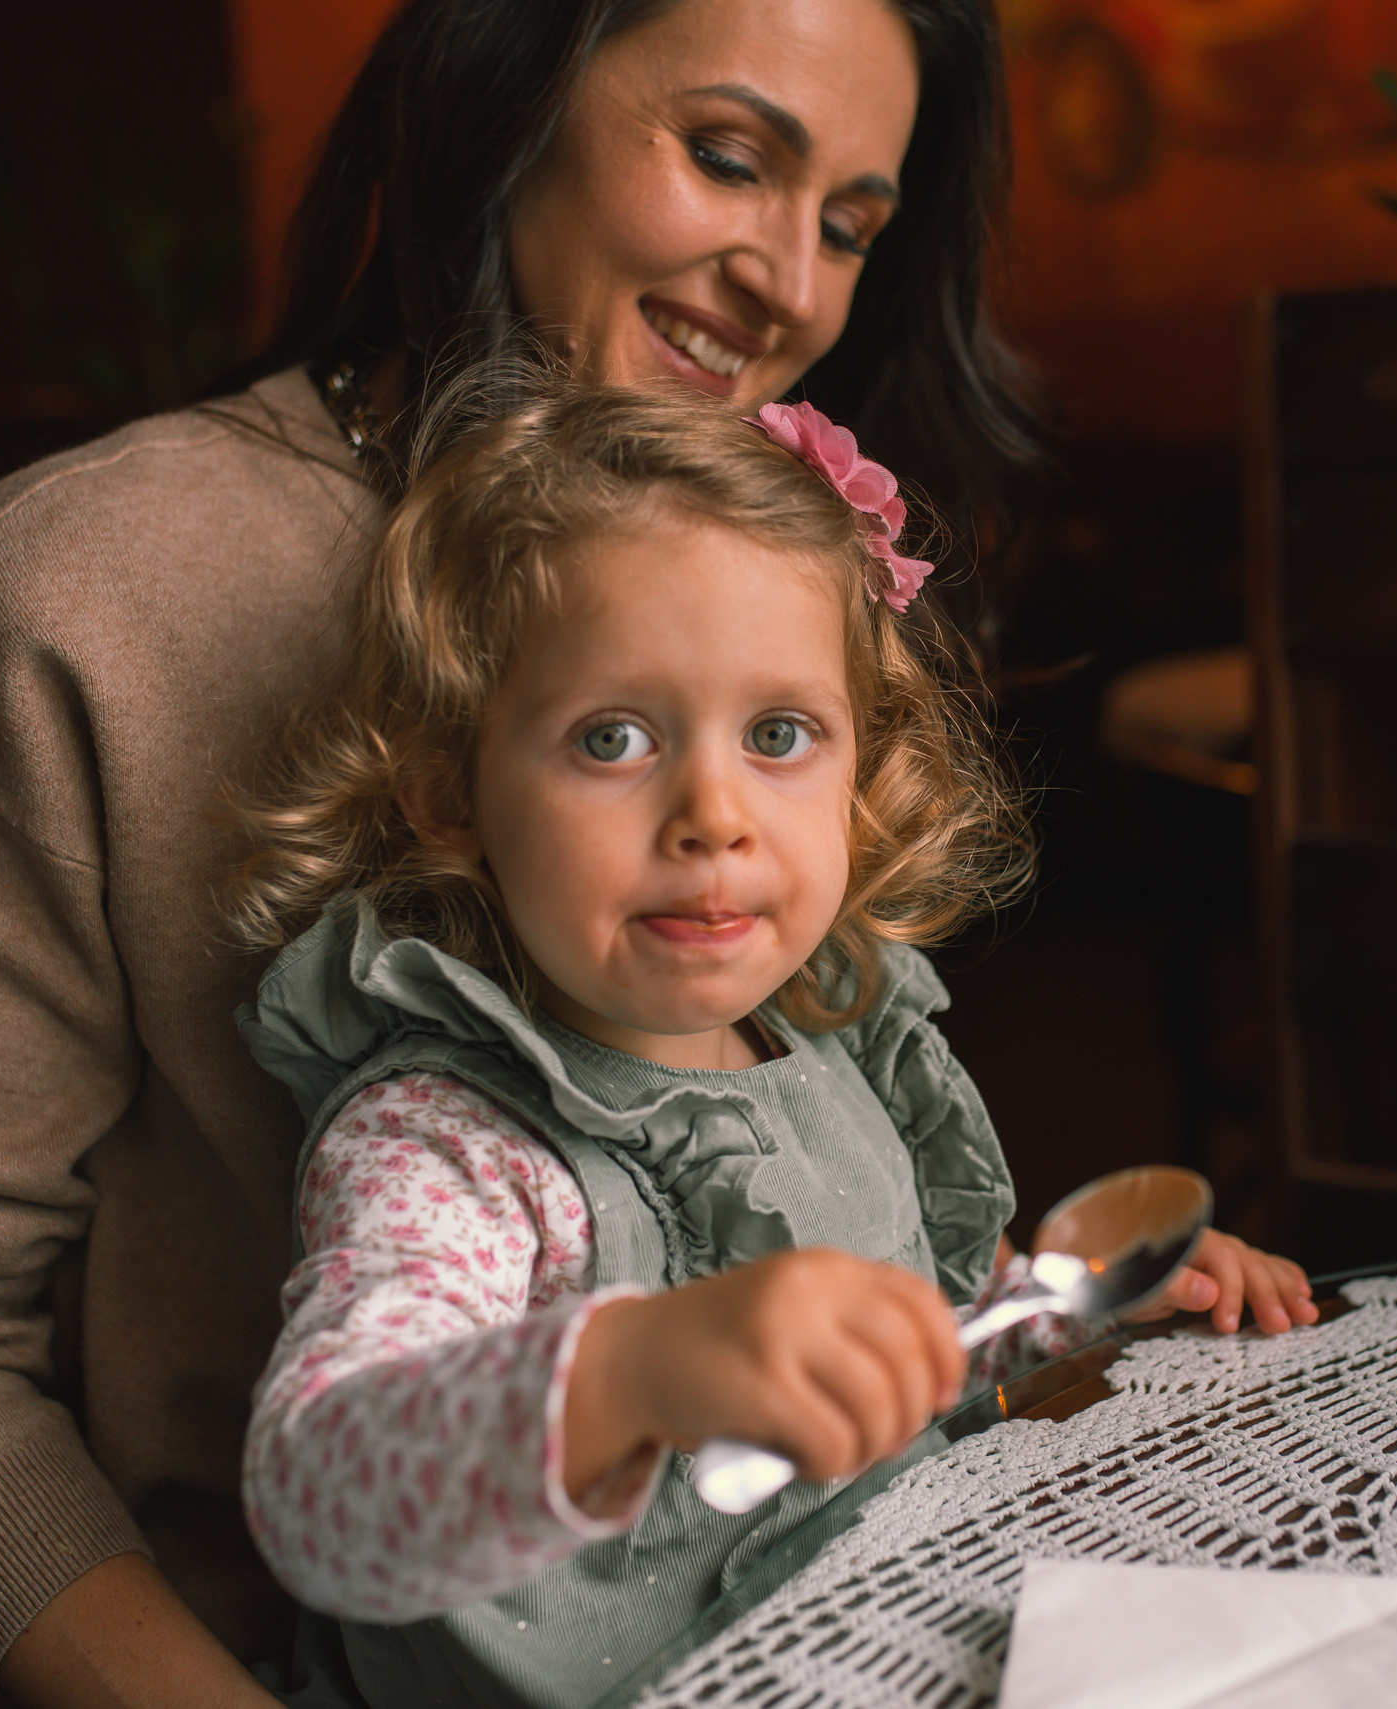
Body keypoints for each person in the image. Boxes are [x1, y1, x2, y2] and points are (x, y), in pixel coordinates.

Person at [0, 2, 1045, 1703]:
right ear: (507, 85)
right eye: (728, 157)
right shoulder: (82, 588)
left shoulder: (759, 583)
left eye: (853, 227)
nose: (792, 285)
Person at [224, 380, 1314, 1708]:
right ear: (456, 796)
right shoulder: (451, 1145)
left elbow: (909, 1368)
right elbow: (318, 1490)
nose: (715, 814)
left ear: (860, 777)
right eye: (612, 737)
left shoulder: (840, 1055)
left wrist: (1059, 1315)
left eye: (780, 734)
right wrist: (636, 1368)